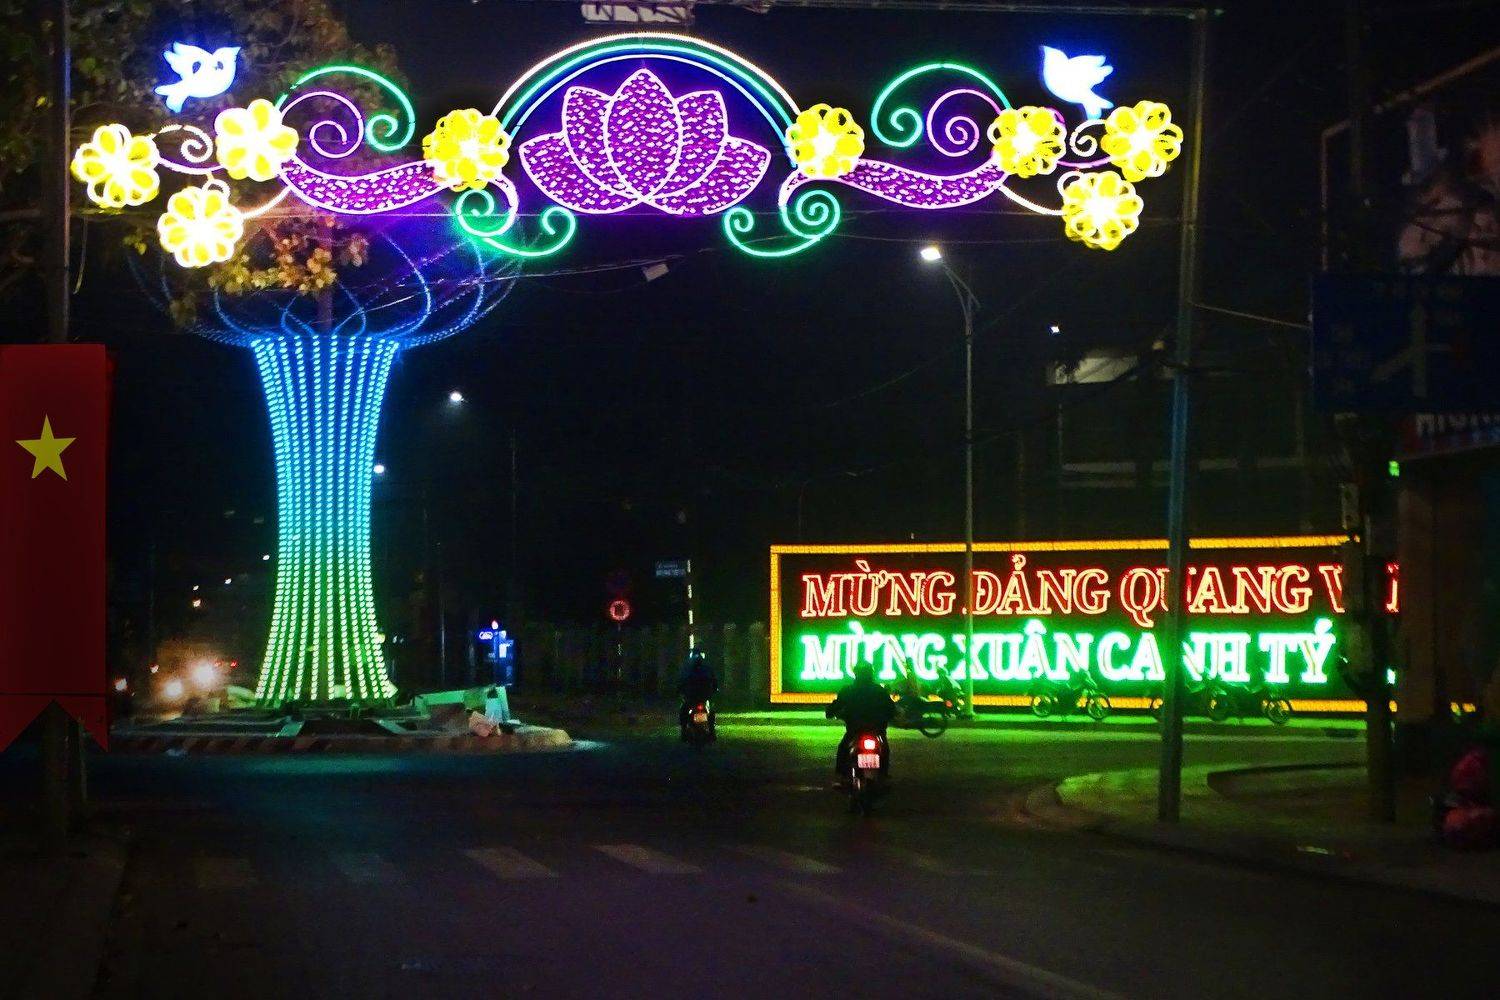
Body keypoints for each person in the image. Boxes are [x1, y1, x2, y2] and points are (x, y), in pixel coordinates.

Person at [825, 663, 896, 779]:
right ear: (871, 674)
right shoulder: (879, 691)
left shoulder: (848, 690)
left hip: (855, 730)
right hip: (876, 729)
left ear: (856, 674)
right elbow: (891, 709)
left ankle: (841, 776)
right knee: (884, 749)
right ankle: (883, 774)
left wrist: (831, 711)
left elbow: (835, 707)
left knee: (843, 749)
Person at [676, 649, 718, 739]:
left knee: (684, 710)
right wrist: (714, 689)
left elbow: (681, 681)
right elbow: (714, 680)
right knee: (711, 711)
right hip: (704, 696)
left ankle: (684, 730)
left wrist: (680, 690)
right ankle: (712, 730)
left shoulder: (687, 668)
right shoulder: (706, 667)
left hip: (692, 696)